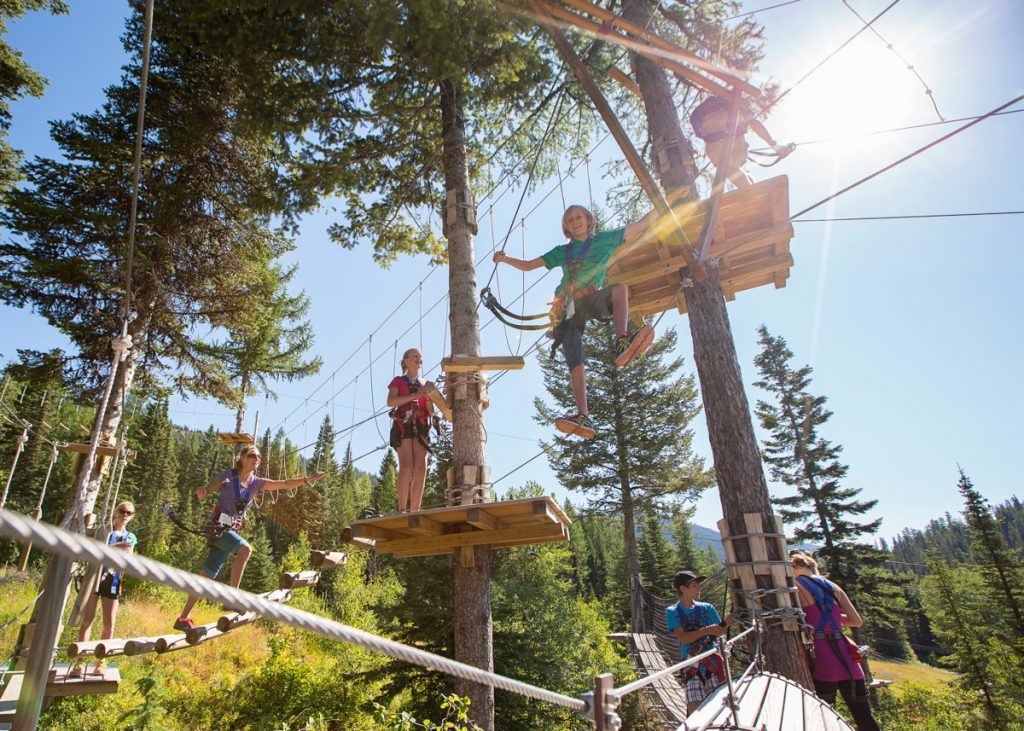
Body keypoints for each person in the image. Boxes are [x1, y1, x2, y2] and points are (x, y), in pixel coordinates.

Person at [492, 204, 661, 439]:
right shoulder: (562, 252)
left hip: (590, 298)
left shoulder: (605, 240)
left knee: (619, 289)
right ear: (566, 228)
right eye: (569, 220)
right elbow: (530, 265)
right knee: (574, 352)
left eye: (578, 217)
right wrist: (505, 259)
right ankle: (583, 415)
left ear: (588, 220)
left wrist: (667, 202)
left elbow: (641, 225)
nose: (575, 222)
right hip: (568, 307)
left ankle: (622, 340)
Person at [173, 445, 323, 631]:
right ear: (242, 458)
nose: (257, 459)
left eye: (259, 457)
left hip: (227, 531)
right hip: (216, 528)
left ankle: (182, 618)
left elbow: (284, 483)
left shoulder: (256, 482)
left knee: (206, 577)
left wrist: (307, 479)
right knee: (245, 550)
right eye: (253, 455)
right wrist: (202, 492)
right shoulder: (228, 475)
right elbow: (208, 490)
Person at [791, 551, 881, 731]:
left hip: (822, 661)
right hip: (849, 662)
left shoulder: (795, 586)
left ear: (794, 567)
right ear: (812, 566)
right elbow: (856, 621)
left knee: (824, 721)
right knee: (865, 720)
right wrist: (832, 616)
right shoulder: (833, 586)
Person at [69, 500, 137, 677]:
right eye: (122, 511)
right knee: (87, 620)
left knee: (109, 623)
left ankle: (101, 661)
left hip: (114, 581)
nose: (125, 515)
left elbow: (128, 556)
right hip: (95, 577)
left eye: (129, 513)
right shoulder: (104, 530)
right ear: (116, 511)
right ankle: (80, 661)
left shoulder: (130, 537)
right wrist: (114, 548)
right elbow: (95, 550)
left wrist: (118, 551)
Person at [666, 570, 734, 714]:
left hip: (713, 662)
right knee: (695, 710)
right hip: (693, 665)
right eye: (695, 586)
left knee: (722, 707)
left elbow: (718, 631)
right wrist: (706, 630)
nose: (699, 589)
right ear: (683, 589)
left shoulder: (706, 608)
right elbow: (683, 638)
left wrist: (725, 624)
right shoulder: (672, 611)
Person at [690, 95, 792, 189]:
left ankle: (752, 190)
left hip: (705, 128)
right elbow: (755, 123)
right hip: (720, 121)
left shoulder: (731, 115)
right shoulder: (738, 111)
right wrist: (774, 145)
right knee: (729, 166)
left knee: (729, 167)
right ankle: (753, 194)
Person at [387, 348, 437, 513]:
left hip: (421, 426)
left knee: (421, 468)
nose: (418, 358)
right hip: (404, 424)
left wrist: (428, 397)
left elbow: (430, 411)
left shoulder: (425, 384)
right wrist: (415, 396)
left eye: (420, 357)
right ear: (406, 360)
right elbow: (391, 401)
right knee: (406, 466)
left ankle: (415, 510)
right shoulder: (398, 381)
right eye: (415, 356)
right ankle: (402, 509)